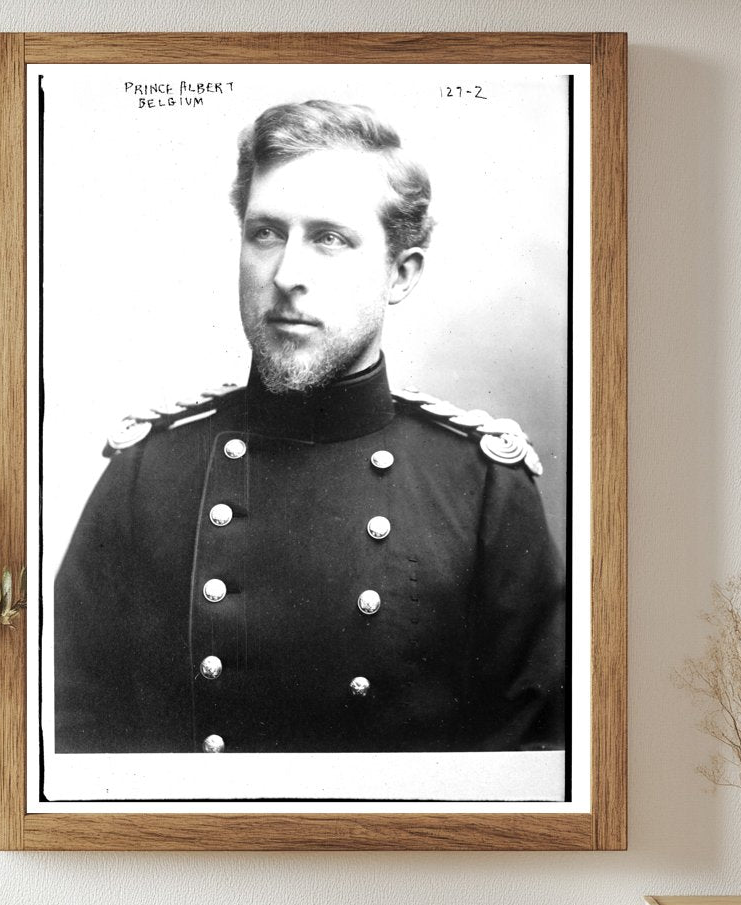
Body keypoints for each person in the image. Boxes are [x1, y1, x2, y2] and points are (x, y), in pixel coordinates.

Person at [54, 99, 565, 755]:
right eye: (266, 233)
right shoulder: (145, 476)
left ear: (401, 274)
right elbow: (71, 739)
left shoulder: (483, 487)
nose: (287, 275)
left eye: (330, 238)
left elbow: (536, 763)